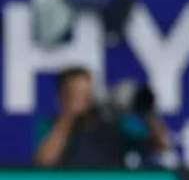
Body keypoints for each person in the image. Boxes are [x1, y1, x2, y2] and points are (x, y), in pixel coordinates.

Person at [34, 66, 169, 168]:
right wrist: (68, 117)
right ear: (62, 97)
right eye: (77, 94)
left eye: (88, 92)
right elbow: (44, 162)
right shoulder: (52, 126)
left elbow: (162, 146)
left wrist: (146, 113)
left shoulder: (114, 124)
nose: (85, 98)